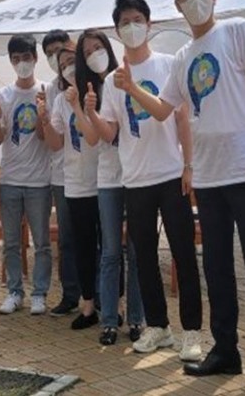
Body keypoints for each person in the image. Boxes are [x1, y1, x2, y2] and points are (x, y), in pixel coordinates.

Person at [129, 0, 245, 396]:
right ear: (178, 4)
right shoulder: (182, 57)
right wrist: (129, 87)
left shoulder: (236, 30)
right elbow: (163, 109)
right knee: (215, 269)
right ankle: (226, 351)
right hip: (210, 177)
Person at [86, 0, 203, 359]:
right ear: (118, 32)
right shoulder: (111, 81)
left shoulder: (169, 65)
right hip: (134, 180)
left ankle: (192, 332)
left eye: (138, 19)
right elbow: (109, 133)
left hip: (171, 174)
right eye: (125, 23)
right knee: (144, 257)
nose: (132, 27)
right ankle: (158, 326)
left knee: (183, 253)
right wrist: (89, 111)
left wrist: (188, 167)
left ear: (149, 24)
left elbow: (180, 117)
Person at [77, 29, 145, 345]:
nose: (95, 54)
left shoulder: (124, 78)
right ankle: (108, 321)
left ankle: (136, 319)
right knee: (110, 252)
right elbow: (99, 137)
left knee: (136, 250)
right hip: (107, 178)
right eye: (88, 51)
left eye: (99, 47)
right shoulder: (85, 90)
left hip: (135, 174)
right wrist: (88, 109)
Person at [39, 41, 101, 331]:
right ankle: (84, 301)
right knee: (80, 243)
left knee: (110, 246)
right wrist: (44, 121)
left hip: (104, 179)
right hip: (74, 182)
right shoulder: (61, 99)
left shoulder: (99, 88)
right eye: (62, 65)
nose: (68, 68)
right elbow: (55, 143)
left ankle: (109, 302)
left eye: (71, 61)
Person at [0, 33, 53, 315]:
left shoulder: (47, 91)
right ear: (11, 61)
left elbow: (45, 137)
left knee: (41, 242)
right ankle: (15, 292)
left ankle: (39, 293)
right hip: (10, 180)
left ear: (35, 58)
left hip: (40, 181)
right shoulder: (4, 95)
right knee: (12, 242)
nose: (22, 64)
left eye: (26, 58)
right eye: (16, 59)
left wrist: (43, 115)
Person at [42, 29, 81, 317]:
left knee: (98, 238)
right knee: (67, 239)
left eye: (62, 50)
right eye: (51, 53)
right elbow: (51, 138)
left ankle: (98, 296)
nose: (58, 58)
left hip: (92, 176)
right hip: (61, 175)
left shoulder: (93, 80)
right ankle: (70, 294)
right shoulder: (50, 91)